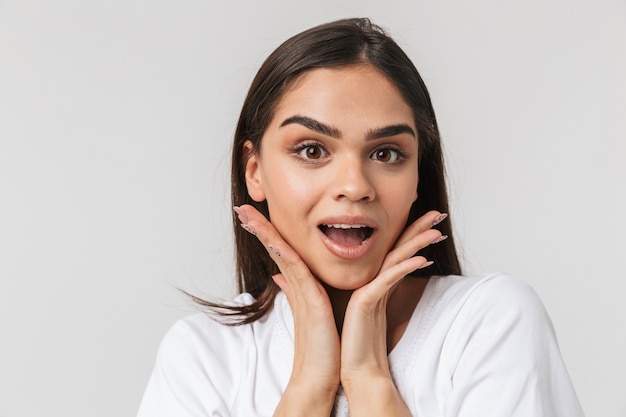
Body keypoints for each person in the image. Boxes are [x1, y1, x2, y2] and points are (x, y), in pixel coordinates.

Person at [137, 17, 585, 417]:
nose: (354, 185)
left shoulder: (489, 322)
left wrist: (370, 379)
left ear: (416, 178)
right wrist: (310, 384)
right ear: (254, 172)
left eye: (386, 153)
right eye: (312, 150)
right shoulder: (204, 354)